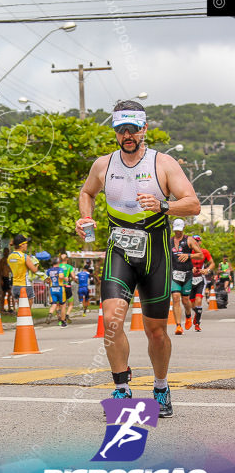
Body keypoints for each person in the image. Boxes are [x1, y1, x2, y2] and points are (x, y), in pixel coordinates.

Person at [76, 100, 200, 417]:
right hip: (119, 247)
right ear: (115, 132)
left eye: (133, 129)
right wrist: (85, 218)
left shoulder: (164, 164)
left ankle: (160, 387)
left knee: (156, 331)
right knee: (112, 320)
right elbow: (87, 192)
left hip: (155, 250)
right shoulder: (103, 166)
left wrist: (162, 206)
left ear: (144, 129)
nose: (127, 135)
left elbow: (193, 204)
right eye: (121, 129)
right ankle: (122, 388)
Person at [169, 219, 199, 335]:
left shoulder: (189, 240)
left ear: (183, 229)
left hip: (187, 274)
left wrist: (189, 255)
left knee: (185, 300)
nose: (178, 233)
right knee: (175, 297)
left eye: (179, 230)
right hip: (175, 274)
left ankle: (188, 315)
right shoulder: (169, 241)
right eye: (176, 230)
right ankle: (178, 326)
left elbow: (200, 254)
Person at [7, 235, 38, 304]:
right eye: (26, 243)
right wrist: (36, 263)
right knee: (27, 312)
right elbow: (34, 270)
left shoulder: (10, 257)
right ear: (22, 245)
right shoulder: (24, 257)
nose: (27, 245)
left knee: (21, 311)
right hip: (25, 286)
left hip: (15, 287)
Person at [45, 257, 65, 327]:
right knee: (62, 305)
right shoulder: (60, 269)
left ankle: (50, 314)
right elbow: (61, 277)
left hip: (52, 289)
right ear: (58, 262)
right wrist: (62, 277)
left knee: (54, 304)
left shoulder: (49, 270)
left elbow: (46, 280)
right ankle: (62, 321)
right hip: (60, 288)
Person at [59, 252, 77, 323]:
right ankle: (67, 314)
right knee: (70, 303)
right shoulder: (69, 267)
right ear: (67, 259)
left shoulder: (58, 266)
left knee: (60, 304)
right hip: (67, 286)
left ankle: (60, 319)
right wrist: (74, 279)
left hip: (59, 287)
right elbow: (73, 277)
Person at [0, 247, 14, 314]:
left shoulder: (10, 260)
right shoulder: (2, 260)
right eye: (5, 251)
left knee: (10, 293)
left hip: (9, 278)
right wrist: (1, 279)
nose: (6, 253)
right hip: (4, 277)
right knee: (4, 294)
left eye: (7, 251)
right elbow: (0, 270)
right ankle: (2, 308)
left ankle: (10, 307)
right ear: (3, 252)